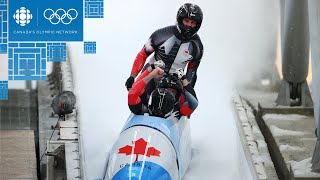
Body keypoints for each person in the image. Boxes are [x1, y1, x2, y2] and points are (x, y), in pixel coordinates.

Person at [125, 3, 204, 92]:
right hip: (151, 74)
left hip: (173, 83)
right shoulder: (161, 34)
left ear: (197, 24)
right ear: (180, 19)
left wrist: (187, 93)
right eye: (186, 21)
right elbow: (143, 55)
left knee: (173, 104)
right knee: (137, 97)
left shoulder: (198, 47)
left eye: (192, 22)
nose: (189, 25)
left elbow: (191, 73)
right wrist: (132, 76)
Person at [128, 61, 198, 119]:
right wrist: (151, 73)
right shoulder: (145, 105)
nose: (167, 93)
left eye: (172, 91)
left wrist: (183, 79)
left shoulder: (179, 111)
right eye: (165, 89)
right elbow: (133, 92)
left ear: (177, 95)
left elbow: (194, 103)